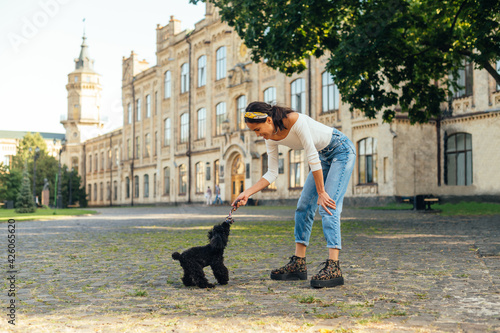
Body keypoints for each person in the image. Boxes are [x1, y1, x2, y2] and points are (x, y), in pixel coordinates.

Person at [232, 101, 356, 288]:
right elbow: (272, 173)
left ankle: (334, 267)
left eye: (257, 129)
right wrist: (247, 193)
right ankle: (298, 264)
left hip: (341, 150)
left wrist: (321, 192)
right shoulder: (270, 137)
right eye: (254, 132)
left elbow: (311, 156)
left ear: (268, 119)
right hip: (323, 156)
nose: (258, 135)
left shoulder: (294, 120)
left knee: (328, 205)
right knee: (303, 206)